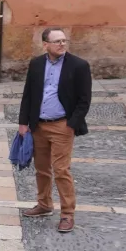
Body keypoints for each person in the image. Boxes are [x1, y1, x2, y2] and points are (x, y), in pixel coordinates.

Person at [18, 28, 92, 234]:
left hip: (62, 125)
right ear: (45, 44)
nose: (62, 44)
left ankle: (67, 213)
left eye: (64, 41)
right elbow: (28, 94)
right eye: (57, 41)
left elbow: (85, 100)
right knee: (41, 169)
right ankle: (44, 204)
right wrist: (23, 122)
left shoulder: (79, 66)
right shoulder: (36, 64)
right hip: (38, 125)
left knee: (61, 170)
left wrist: (71, 124)